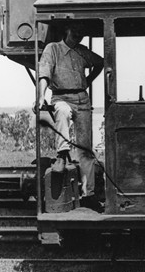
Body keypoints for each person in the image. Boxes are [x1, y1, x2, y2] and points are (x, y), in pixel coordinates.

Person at [37, 23, 104, 211]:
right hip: (61, 97)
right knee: (62, 111)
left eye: (81, 32)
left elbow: (100, 63)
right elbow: (44, 74)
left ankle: (88, 194)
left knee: (85, 150)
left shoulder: (83, 51)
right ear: (66, 30)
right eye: (75, 31)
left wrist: (88, 81)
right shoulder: (53, 49)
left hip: (82, 99)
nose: (78, 34)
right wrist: (41, 97)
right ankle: (62, 155)